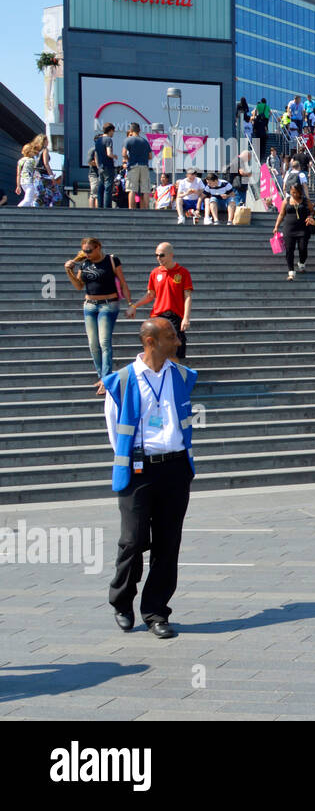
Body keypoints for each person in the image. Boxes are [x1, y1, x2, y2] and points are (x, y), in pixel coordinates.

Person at [103, 318, 197, 639]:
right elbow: (115, 428)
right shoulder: (124, 380)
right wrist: (132, 460)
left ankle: (156, 611)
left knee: (168, 543)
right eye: (170, 336)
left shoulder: (182, 375)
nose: (177, 340)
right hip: (138, 470)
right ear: (150, 343)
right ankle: (122, 602)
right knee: (133, 540)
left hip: (175, 469)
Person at [65, 237, 132, 395]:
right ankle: (101, 375)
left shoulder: (111, 260)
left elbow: (123, 282)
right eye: (84, 251)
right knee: (93, 344)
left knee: (104, 342)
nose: (87, 254)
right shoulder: (85, 263)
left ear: (98, 247)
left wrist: (131, 304)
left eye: (89, 250)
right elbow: (78, 286)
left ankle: (106, 378)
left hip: (108, 304)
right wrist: (69, 271)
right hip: (89, 305)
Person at [126, 242, 192, 360]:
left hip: (175, 316)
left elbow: (187, 296)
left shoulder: (182, 272)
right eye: (156, 255)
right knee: (155, 349)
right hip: (158, 316)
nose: (158, 258)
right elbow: (150, 295)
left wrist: (186, 317)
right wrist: (134, 306)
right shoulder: (155, 273)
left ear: (171, 255)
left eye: (162, 255)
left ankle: (176, 376)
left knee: (176, 351)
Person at [272, 182, 315, 280]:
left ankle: (301, 262)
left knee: (303, 248)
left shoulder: (305, 201)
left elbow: (312, 211)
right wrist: (276, 226)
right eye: (292, 192)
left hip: (303, 229)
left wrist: (310, 216)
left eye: (296, 192)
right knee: (289, 250)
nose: (294, 194)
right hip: (289, 229)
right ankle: (291, 272)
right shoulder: (286, 201)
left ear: (300, 192)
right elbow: (281, 214)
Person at [121, 123, 152, 209]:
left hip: (133, 166)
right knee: (145, 189)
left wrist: (128, 159)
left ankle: (131, 209)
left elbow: (123, 154)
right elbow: (150, 156)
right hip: (144, 166)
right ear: (139, 131)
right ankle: (146, 209)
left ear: (131, 130)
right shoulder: (145, 141)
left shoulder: (128, 140)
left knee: (132, 189)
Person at [93, 124, 117, 209]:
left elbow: (96, 155)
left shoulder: (98, 140)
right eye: (113, 131)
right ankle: (107, 207)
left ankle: (100, 206)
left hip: (100, 167)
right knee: (108, 188)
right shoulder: (108, 139)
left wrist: (98, 165)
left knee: (101, 187)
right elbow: (109, 153)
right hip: (108, 166)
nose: (113, 133)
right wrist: (114, 156)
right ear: (110, 130)